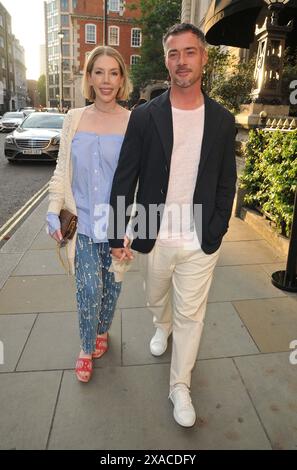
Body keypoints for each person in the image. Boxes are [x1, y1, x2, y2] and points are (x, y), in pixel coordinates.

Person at [109, 23, 237, 427]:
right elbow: (124, 177)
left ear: (203, 57)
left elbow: (225, 180)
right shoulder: (145, 116)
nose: (181, 61)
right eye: (173, 53)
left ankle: (179, 386)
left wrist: (216, 229)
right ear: (167, 60)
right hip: (153, 232)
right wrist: (117, 232)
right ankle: (159, 323)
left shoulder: (221, 118)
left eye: (189, 52)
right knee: (155, 296)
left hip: (200, 237)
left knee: (191, 316)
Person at [46, 45, 131, 383]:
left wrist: (132, 227)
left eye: (113, 73)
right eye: (99, 72)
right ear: (89, 77)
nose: (106, 80)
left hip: (116, 227)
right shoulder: (73, 119)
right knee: (88, 290)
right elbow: (61, 170)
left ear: (122, 78)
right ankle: (85, 347)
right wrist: (53, 210)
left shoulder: (132, 121)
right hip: (81, 225)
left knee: (112, 289)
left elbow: (136, 180)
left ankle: (101, 331)